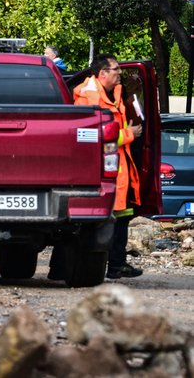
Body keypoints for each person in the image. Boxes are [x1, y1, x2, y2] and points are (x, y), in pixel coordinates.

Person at [72, 55, 144, 280]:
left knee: (121, 219)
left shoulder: (115, 93)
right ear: (102, 73)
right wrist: (129, 135)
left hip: (118, 169)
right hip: (100, 170)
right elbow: (90, 135)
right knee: (92, 224)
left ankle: (117, 264)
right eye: (115, 70)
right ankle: (107, 266)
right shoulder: (88, 97)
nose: (119, 73)